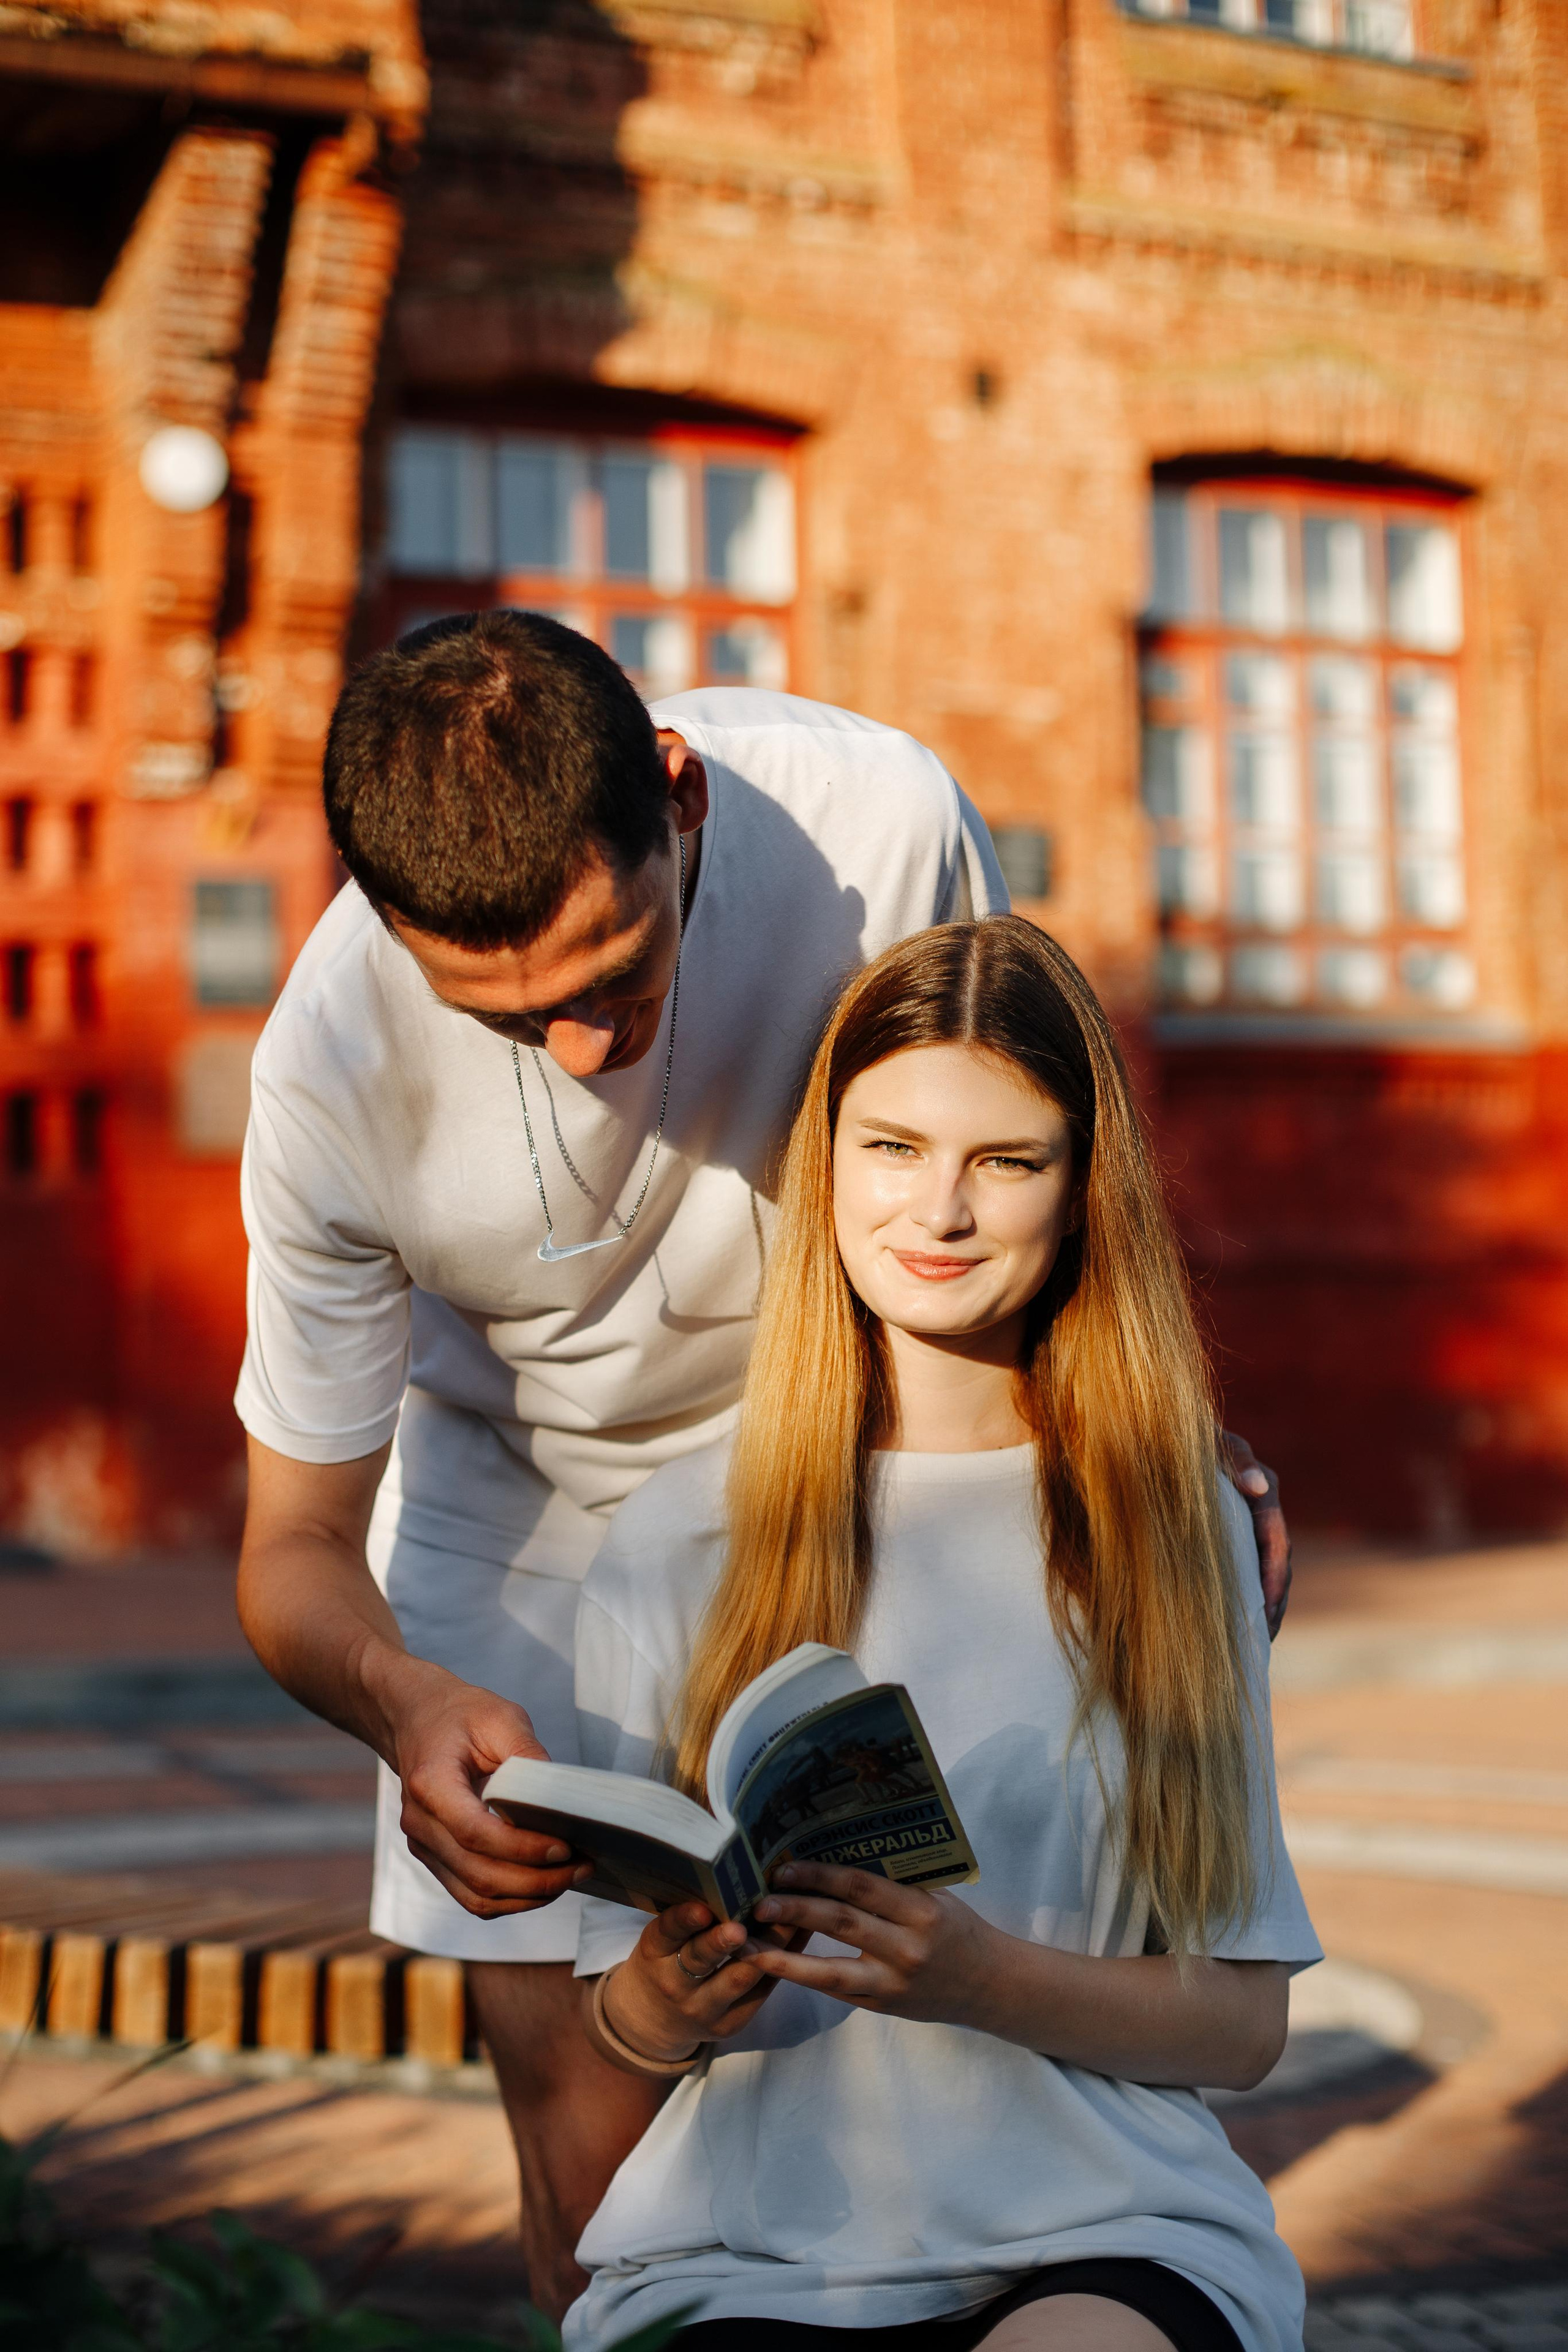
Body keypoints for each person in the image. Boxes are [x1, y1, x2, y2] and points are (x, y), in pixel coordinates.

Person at [232, 611, 1292, 2316]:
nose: (583, 1052)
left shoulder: (876, 821)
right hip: (514, 1519)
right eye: (506, 1019)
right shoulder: (327, 1064)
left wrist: (1157, 1435)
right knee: (593, 2197)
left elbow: (1010, 1126)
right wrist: (403, 1704)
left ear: (681, 794)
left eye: (611, 978)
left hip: (831, 1455)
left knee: (919, 2042)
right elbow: (290, 1541)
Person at [565, 917, 1321, 2352]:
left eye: (1006, 1162)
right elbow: (620, 2026)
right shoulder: (674, 1536)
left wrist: (980, 1980)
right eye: (892, 1148)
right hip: (753, 2252)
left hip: (1103, 2234)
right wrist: (664, 1999)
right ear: (825, 1158)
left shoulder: (1169, 1528)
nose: (940, 1214)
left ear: (1081, 1188)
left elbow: (1239, 2024)